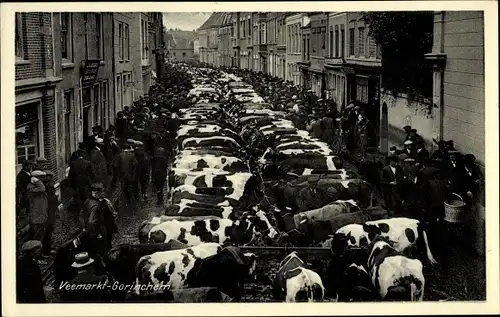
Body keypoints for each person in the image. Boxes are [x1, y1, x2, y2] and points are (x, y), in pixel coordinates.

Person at [86, 182, 118, 257]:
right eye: (101, 192)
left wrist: (113, 215)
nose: (103, 193)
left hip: (107, 229)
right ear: (96, 193)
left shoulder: (106, 201)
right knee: (101, 250)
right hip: (98, 232)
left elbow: (111, 211)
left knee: (108, 246)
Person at [27, 170, 49, 249]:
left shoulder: (36, 186)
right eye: (41, 178)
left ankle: (41, 254)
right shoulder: (32, 187)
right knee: (37, 237)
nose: (42, 180)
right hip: (36, 216)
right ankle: (37, 257)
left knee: (41, 236)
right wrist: (37, 181)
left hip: (41, 215)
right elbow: (42, 188)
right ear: (36, 179)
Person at [40, 170, 58, 256]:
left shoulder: (49, 187)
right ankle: (46, 250)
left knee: (49, 231)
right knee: (47, 231)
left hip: (51, 212)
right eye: (51, 178)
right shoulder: (47, 188)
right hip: (48, 213)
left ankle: (47, 248)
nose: (53, 180)